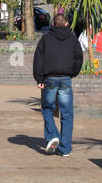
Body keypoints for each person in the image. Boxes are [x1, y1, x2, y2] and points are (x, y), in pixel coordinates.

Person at [34, 13, 84, 157]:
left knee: (47, 108)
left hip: (49, 78)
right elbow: (79, 58)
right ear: (67, 24)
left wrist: (39, 79)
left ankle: (52, 135)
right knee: (67, 113)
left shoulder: (45, 39)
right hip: (66, 78)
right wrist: (73, 73)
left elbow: (38, 60)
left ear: (53, 24)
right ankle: (65, 148)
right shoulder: (73, 40)